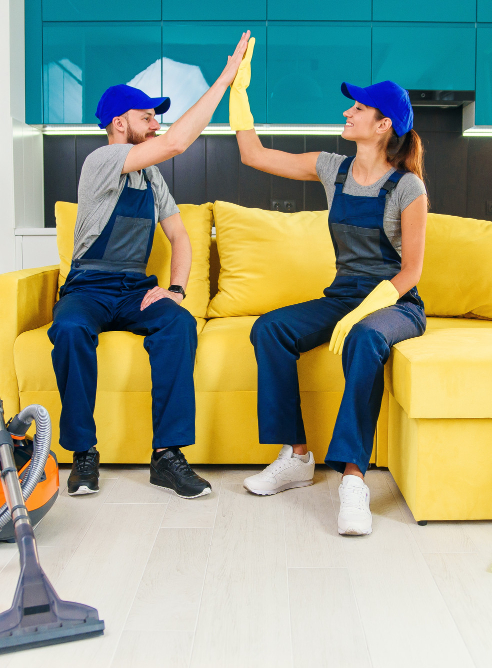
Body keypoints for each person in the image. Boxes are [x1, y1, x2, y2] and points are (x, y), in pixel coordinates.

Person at [229, 45, 428, 535]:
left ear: (383, 125)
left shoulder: (408, 188)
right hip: (342, 295)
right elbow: (253, 154)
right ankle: (297, 456)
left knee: (364, 338)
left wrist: (366, 311)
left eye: (358, 108)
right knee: (269, 330)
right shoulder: (331, 168)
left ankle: (354, 480)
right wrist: (239, 92)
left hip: (394, 303)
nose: (347, 111)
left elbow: (411, 272)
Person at [50, 31, 251, 499]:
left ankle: (167, 457)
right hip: (87, 288)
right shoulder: (101, 160)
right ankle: (83, 452)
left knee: (178, 325)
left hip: (133, 290)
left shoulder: (150, 175)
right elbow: (179, 142)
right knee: (70, 330)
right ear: (119, 123)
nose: (156, 124)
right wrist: (225, 77)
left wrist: (176, 290)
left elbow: (180, 236)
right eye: (147, 117)